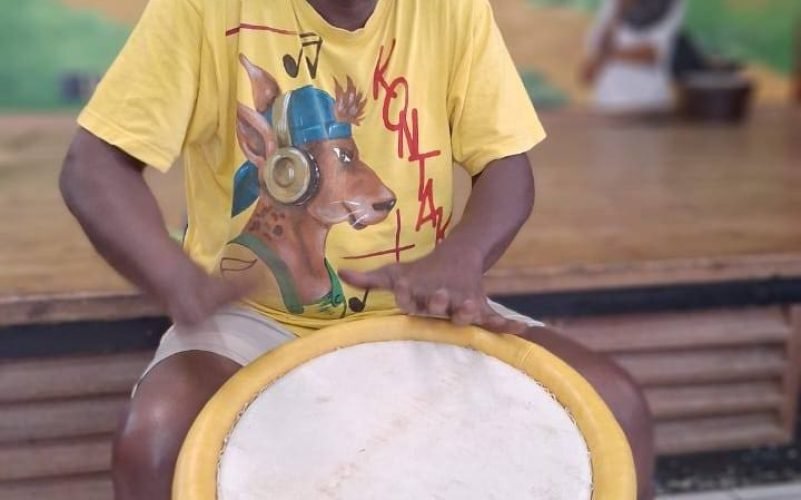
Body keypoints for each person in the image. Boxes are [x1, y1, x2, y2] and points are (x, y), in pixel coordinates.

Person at [59, 0, 654, 498]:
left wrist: (463, 257)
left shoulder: (453, 8)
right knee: (159, 438)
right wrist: (174, 277)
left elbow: (506, 165)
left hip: (420, 311)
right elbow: (94, 165)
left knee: (616, 408)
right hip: (252, 318)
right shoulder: (204, 7)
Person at [582, 0, 685, 114]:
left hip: (649, 107)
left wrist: (607, 54)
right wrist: (618, 12)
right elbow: (588, 74)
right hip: (608, 107)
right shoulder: (614, 4)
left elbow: (652, 55)